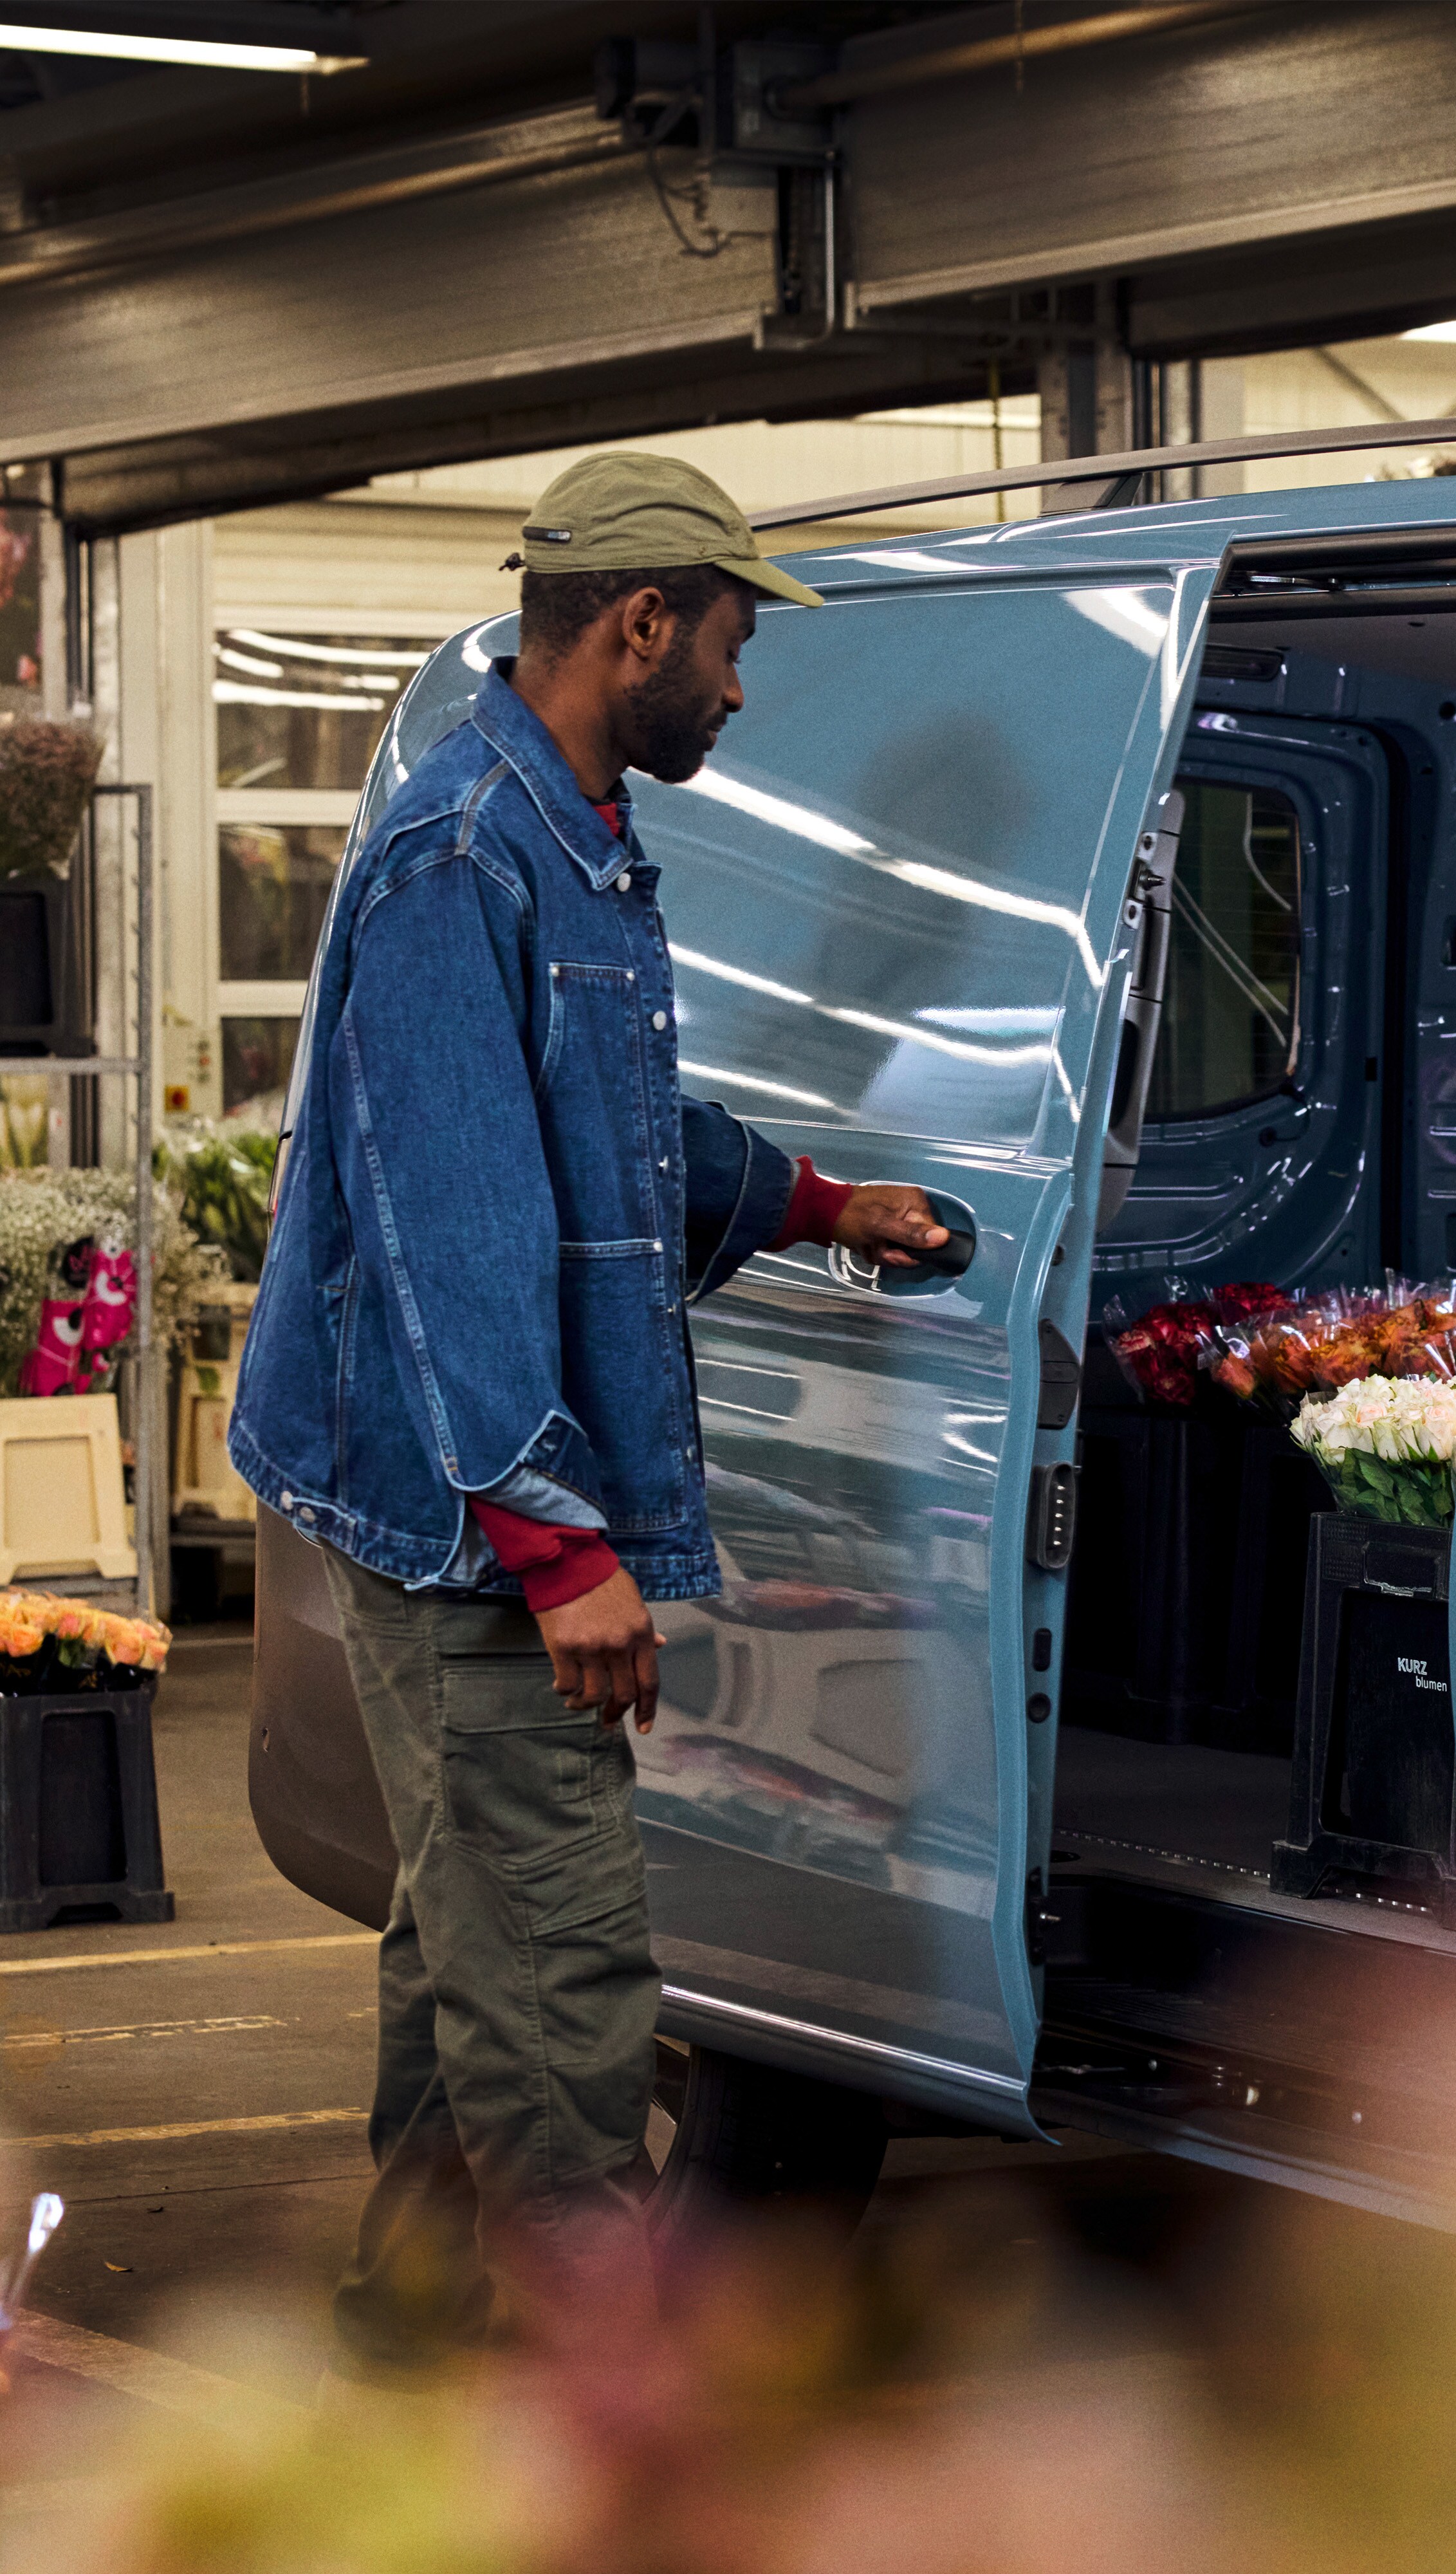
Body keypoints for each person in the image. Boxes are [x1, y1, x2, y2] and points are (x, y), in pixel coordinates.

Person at [230, 452, 950, 2376]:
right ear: (639, 623)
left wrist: (810, 1199)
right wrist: (558, 1550)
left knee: (461, 1922)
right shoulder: (464, 852)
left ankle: (407, 2327)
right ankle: (619, 2412)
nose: (738, 688)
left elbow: (604, 1126)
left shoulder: (569, 832)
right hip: (463, 1519)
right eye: (725, 646)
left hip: (451, 1495)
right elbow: (459, 1221)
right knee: (556, 1967)